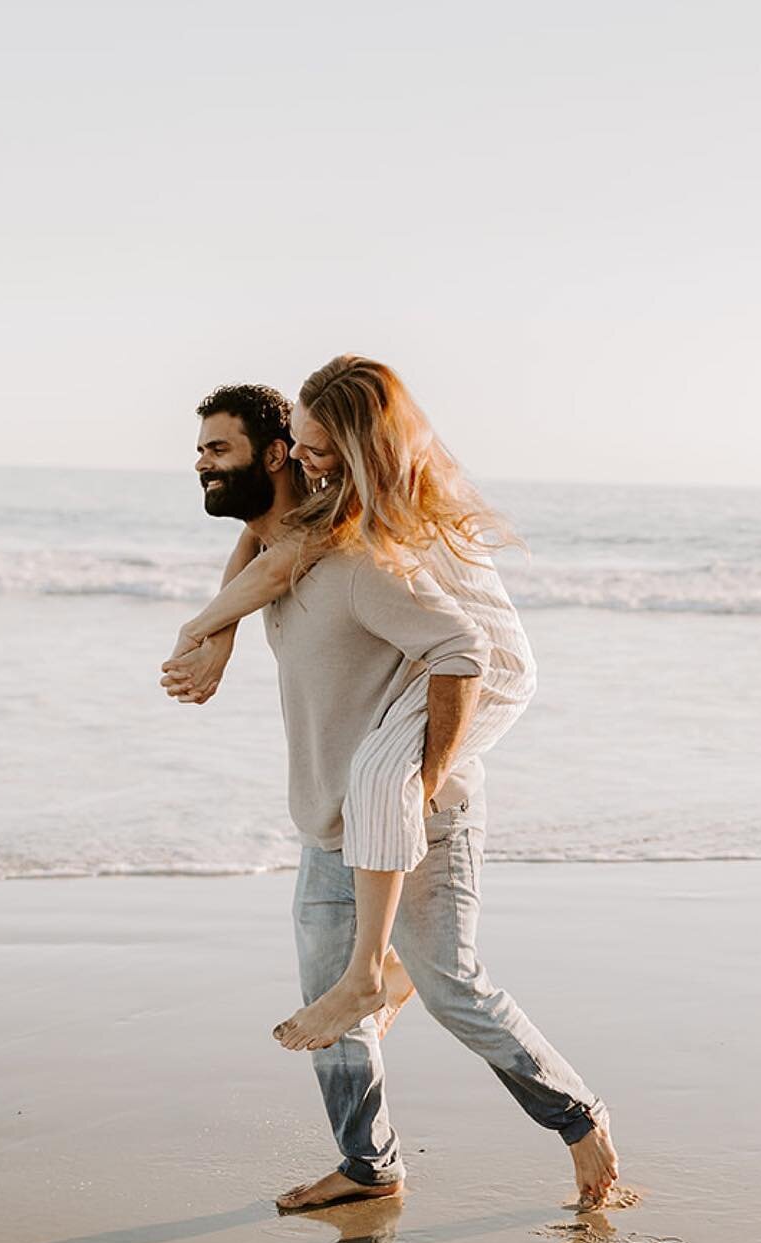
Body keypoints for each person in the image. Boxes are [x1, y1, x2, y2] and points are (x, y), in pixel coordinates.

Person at [169, 369, 618, 1211]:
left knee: (454, 988)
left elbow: (464, 652)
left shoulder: (361, 554)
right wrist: (215, 633)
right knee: (329, 1002)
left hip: (420, 807)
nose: (201, 465)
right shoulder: (282, 548)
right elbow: (261, 560)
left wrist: (426, 779)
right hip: (331, 825)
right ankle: (369, 1165)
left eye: (220, 450)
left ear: (286, 457)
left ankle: (579, 1118)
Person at [165, 359, 535, 1050]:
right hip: (435, 660)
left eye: (315, 447)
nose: (300, 459)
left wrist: (200, 629)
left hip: (489, 667)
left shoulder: (365, 502)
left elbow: (280, 561)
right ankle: (387, 973)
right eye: (299, 441)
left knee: (376, 781)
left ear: (361, 450)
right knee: (370, 776)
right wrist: (223, 633)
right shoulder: (330, 481)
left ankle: (367, 973)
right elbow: (259, 538)